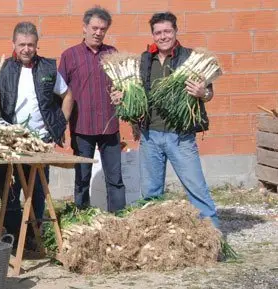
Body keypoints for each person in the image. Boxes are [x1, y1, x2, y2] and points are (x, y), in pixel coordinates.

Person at [111, 12, 219, 227]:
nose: (163, 36)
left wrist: (202, 93)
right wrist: (121, 98)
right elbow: (135, 94)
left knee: (196, 189)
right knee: (151, 194)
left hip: (181, 137)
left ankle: (215, 238)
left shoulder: (190, 58)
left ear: (175, 31)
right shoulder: (144, 60)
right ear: (153, 35)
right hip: (150, 136)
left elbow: (209, 93)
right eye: (158, 32)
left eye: (167, 31)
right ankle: (154, 241)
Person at [0, 22, 69, 248]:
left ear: (37, 46)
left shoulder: (48, 68)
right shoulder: (2, 69)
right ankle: (13, 233)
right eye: (22, 44)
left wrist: (60, 123)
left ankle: (33, 234)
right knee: (8, 186)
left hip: (40, 141)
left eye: (31, 45)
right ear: (13, 44)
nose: (26, 49)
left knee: (36, 190)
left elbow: (67, 95)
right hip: (11, 141)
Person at [58, 6, 126, 213]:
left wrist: (122, 93)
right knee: (82, 177)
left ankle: (118, 218)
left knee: (115, 178)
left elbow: (124, 85)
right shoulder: (70, 55)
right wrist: (60, 124)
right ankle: (82, 216)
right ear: (85, 27)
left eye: (102, 29)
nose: (98, 33)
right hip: (82, 127)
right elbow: (60, 92)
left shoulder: (112, 54)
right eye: (94, 28)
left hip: (109, 126)